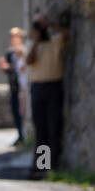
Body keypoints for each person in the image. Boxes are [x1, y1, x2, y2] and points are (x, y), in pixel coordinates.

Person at [26, 13, 69, 178]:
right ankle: (40, 166)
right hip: (38, 88)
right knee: (41, 129)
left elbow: (66, 34)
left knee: (54, 127)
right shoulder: (33, 45)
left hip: (53, 87)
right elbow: (29, 61)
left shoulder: (54, 42)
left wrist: (49, 24)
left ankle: (52, 167)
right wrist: (36, 39)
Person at [0, 27, 26, 146]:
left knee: (22, 111)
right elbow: (9, 70)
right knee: (15, 111)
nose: (13, 39)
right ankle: (20, 135)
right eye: (11, 37)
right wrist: (5, 68)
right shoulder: (9, 53)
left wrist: (9, 67)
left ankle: (24, 135)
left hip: (23, 87)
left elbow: (22, 69)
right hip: (13, 86)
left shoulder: (24, 51)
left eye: (15, 37)